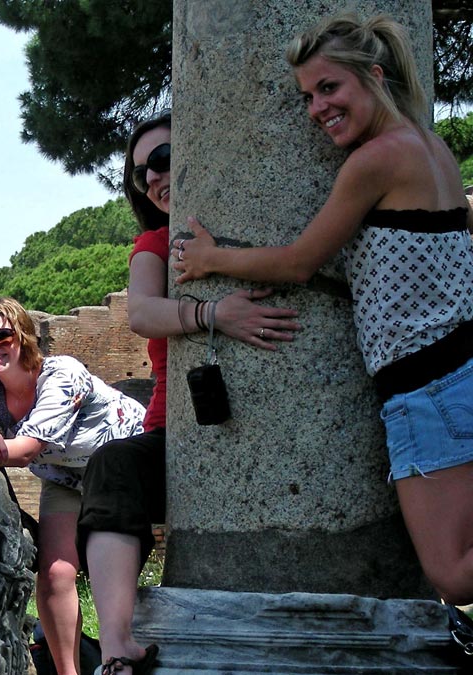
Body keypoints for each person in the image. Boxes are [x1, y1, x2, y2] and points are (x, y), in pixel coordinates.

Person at [174, 14, 473, 606]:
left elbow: (298, 263)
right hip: (457, 367)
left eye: (329, 87)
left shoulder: (376, 160)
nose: (316, 108)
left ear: (375, 77)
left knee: (454, 572)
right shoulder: (429, 147)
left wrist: (210, 260)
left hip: (427, 385)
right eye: (308, 96)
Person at [77, 112, 300, 675]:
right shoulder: (154, 243)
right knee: (111, 467)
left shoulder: (258, 215)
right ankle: (116, 646)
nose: (151, 178)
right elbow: (143, 312)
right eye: (139, 173)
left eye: (163, 159)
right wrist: (214, 314)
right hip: (171, 429)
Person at [0, 297, 146, 675]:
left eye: (2, 335)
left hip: (121, 468)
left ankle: (120, 655)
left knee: (103, 566)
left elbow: (24, 450)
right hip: (63, 477)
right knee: (55, 573)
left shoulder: (62, 374)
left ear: (24, 336)